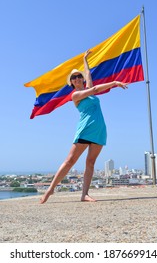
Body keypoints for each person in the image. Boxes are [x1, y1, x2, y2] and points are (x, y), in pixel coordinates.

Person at [40, 49, 128, 203]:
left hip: (99, 129)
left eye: (78, 76)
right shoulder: (75, 95)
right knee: (70, 161)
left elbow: (89, 76)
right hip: (86, 129)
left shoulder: (88, 90)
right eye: (74, 77)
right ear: (72, 82)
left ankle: (84, 195)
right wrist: (114, 83)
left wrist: (85, 59)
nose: (77, 78)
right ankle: (50, 189)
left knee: (91, 163)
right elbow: (94, 88)